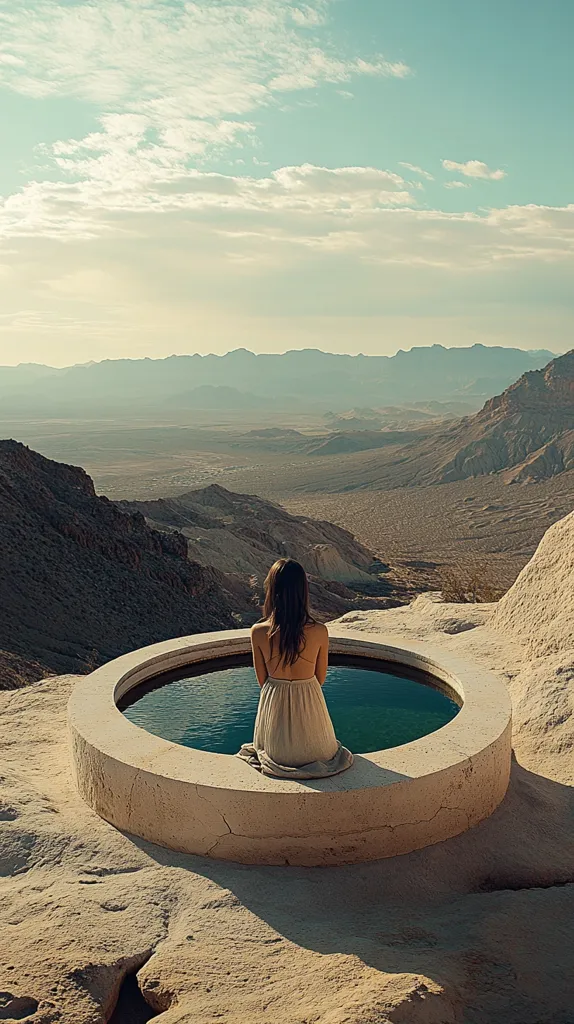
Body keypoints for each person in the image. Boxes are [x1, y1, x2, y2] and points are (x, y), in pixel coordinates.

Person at [237, 558, 353, 779]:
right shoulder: (320, 631)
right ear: (303, 591)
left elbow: (262, 680)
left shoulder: (258, 632)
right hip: (309, 698)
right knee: (323, 751)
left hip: (274, 701)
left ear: (272, 589)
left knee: (273, 750)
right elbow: (320, 677)